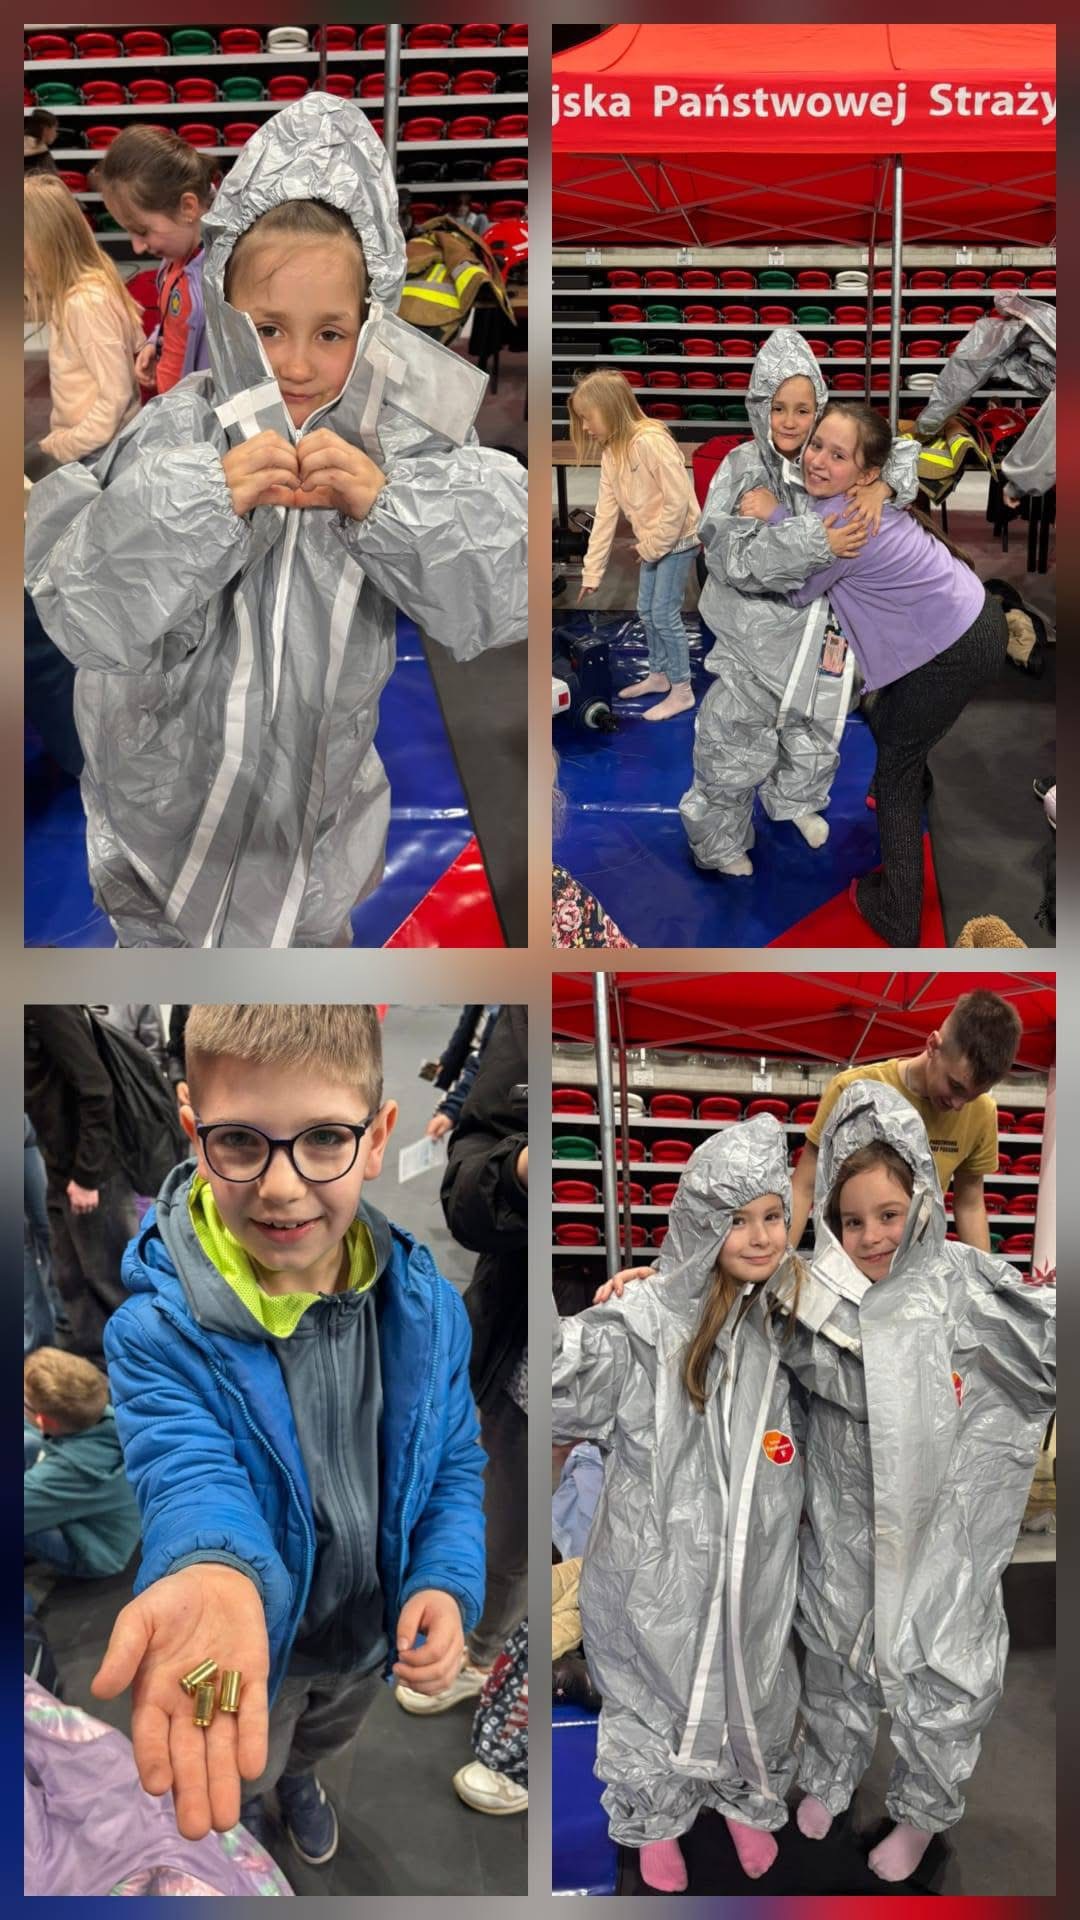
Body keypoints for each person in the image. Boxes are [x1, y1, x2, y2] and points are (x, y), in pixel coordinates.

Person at [25, 94, 527, 948]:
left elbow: (500, 585)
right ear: (226, 311)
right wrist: (194, 504)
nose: (296, 364)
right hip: (163, 807)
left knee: (303, 965)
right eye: (267, 328)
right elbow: (81, 610)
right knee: (170, 973)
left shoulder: (397, 441)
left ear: (370, 322)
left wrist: (391, 509)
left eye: (330, 333)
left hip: (314, 815)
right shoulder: (179, 430)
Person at [92, 1004, 486, 1868]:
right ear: (193, 1129)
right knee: (248, 1756)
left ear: (376, 1138)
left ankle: (300, 1779)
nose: (280, 1185)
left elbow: (454, 1462)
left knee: (325, 1736)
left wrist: (445, 1576)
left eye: (324, 1139)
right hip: (255, 1642)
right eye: (240, 1141)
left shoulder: (428, 1313)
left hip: (368, 1635)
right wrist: (212, 1565)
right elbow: (187, 1470)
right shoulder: (156, 1333)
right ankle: (257, 1801)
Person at [774, 1081, 1054, 1882]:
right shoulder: (810, 1292)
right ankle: (830, 1773)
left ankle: (922, 1816)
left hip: (938, 1532)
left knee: (943, 1667)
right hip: (844, 1525)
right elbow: (738, 1322)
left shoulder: (966, 1287)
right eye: (852, 1220)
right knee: (835, 1651)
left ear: (923, 1201)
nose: (871, 1237)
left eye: (889, 1214)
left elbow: (1043, 1346)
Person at [553, 1118, 806, 1890]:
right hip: (655, 1554)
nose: (760, 1237)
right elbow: (563, 1391)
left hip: (754, 1556)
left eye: (773, 1215)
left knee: (751, 1673)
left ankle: (742, 1795)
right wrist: (631, 1304)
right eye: (738, 1220)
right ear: (702, 1225)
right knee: (648, 1684)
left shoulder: (789, 1313)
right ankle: (655, 1818)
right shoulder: (648, 1324)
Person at [746, 400, 1008, 943]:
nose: (818, 460)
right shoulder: (857, 500)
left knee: (895, 776)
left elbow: (798, 587)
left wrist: (771, 516)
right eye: (817, 445)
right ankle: (916, 770)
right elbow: (904, 453)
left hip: (957, 643)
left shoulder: (846, 522)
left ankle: (898, 914)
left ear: (865, 474)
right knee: (890, 715)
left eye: (837, 455)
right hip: (969, 619)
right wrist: (880, 486)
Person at [680, 329, 919, 875]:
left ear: (820, 408)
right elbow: (732, 557)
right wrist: (817, 540)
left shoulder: (828, 453)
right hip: (754, 642)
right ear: (759, 406)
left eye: (803, 409)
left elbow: (904, 450)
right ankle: (718, 843)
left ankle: (794, 802)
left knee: (814, 733)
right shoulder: (743, 467)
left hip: (820, 637)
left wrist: (880, 487)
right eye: (778, 407)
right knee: (732, 741)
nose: (790, 422)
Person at [399, 1008, 527, 1715]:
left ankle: (491, 1645)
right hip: (527, 1326)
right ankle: (481, 1646)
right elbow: (471, 1181)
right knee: (501, 1491)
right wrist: (517, 1171)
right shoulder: (527, 1009)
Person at [790, 989, 1021, 1251]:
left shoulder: (982, 1112)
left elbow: (969, 1204)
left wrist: (982, 1273)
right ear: (933, 1046)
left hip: (917, 1262)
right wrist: (778, 1268)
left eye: (973, 1095)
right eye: (955, 1086)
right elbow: (804, 1186)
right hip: (850, 1256)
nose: (959, 1105)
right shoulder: (853, 1090)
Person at [572, 370, 701, 721]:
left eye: (588, 417)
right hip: (653, 544)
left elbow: (678, 502)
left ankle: (682, 689)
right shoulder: (612, 453)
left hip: (678, 541)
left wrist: (652, 547)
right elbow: (605, 514)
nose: (585, 426)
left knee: (664, 614)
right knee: (646, 610)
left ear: (610, 408)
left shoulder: (651, 441)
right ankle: (659, 675)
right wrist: (592, 572)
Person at [24, 1006, 139, 1370]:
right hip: (60, 1165)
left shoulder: (46, 1005)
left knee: (112, 1284)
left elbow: (96, 1089)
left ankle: (133, 1375)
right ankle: (97, 1377)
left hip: (92, 1171)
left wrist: (88, 1176)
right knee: (73, 1283)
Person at [23, 175, 143, 472]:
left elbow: (116, 397)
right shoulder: (79, 291)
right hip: (90, 446)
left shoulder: (85, 303)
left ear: (48, 243)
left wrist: (63, 445)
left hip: (97, 453)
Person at [92, 126, 215, 394]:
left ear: (188, 208)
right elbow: (177, 319)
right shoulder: (178, 256)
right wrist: (155, 340)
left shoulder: (224, 282)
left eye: (143, 231)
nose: (137, 248)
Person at [24, 1346, 141, 1578]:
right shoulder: (100, 1413)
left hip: (97, 1552)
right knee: (26, 1442)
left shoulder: (69, 1471)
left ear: (43, 1421)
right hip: (105, 1514)